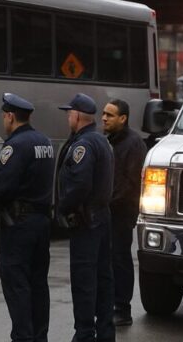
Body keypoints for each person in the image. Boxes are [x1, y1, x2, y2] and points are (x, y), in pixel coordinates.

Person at [0, 94, 55, 342]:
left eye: (4, 116)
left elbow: (3, 185)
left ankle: (23, 337)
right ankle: (39, 336)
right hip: (41, 222)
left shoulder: (15, 145)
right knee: (38, 284)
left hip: (18, 225)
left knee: (17, 285)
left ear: (10, 116)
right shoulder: (44, 141)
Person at [56, 93, 116, 342]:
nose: (68, 117)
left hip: (86, 221)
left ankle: (84, 334)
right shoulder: (101, 141)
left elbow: (80, 184)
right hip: (102, 217)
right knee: (103, 279)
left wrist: (63, 207)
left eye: (69, 113)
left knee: (84, 281)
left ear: (78, 115)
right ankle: (105, 333)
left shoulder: (83, 144)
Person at [101, 99, 147, 327]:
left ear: (123, 119)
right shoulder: (109, 141)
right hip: (107, 211)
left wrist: (109, 201)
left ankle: (123, 309)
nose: (104, 118)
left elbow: (131, 183)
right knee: (108, 260)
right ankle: (110, 305)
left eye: (110, 115)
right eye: (103, 114)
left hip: (121, 212)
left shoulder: (133, 144)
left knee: (120, 259)